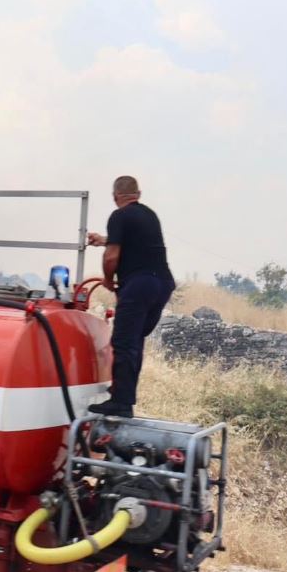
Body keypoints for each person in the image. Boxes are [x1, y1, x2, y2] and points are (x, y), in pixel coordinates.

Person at [86, 176, 175, 418]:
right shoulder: (149, 215)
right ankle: (122, 391)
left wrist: (107, 279)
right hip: (163, 284)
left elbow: (111, 257)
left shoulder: (118, 216)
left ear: (115, 196)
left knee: (124, 341)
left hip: (139, 284)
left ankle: (121, 402)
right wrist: (104, 240)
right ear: (138, 194)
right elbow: (132, 243)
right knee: (135, 340)